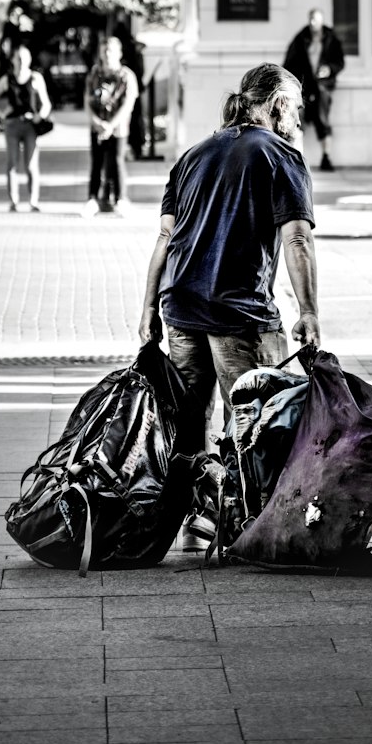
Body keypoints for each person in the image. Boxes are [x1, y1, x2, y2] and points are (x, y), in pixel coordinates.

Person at [138, 64, 320, 549]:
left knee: (187, 423)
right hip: (238, 314)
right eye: (297, 108)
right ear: (278, 104)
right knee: (253, 426)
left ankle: (194, 524)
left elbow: (164, 237)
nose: (299, 120)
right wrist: (309, 311)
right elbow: (297, 238)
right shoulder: (281, 155)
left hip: (180, 309)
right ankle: (242, 528)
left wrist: (148, 309)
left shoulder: (192, 156)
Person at [0, 45, 52, 212]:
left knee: (31, 164)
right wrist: (4, 111)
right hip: (11, 125)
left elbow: (46, 103)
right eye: (18, 58)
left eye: (24, 58)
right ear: (13, 60)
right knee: (12, 163)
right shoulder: (7, 79)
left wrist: (40, 116)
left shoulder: (35, 78)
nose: (21, 61)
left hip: (30, 125)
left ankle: (33, 201)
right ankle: (14, 201)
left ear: (30, 59)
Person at [283, 7, 345, 171]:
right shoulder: (301, 38)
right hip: (304, 88)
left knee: (323, 121)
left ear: (322, 21)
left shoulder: (331, 39)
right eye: (310, 19)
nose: (312, 23)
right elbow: (288, 63)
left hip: (322, 87)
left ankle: (326, 158)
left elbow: (339, 62)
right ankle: (296, 159)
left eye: (315, 20)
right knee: (296, 121)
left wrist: (329, 69)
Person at [83, 37, 139, 216]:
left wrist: (111, 125)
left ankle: (121, 199)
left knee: (117, 161)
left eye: (111, 51)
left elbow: (128, 104)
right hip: (97, 126)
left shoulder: (127, 76)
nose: (107, 55)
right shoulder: (94, 74)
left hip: (118, 128)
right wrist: (98, 123)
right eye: (104, 51)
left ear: (119, 53)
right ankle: (92, 200)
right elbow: (87, 101)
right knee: (96, 163)